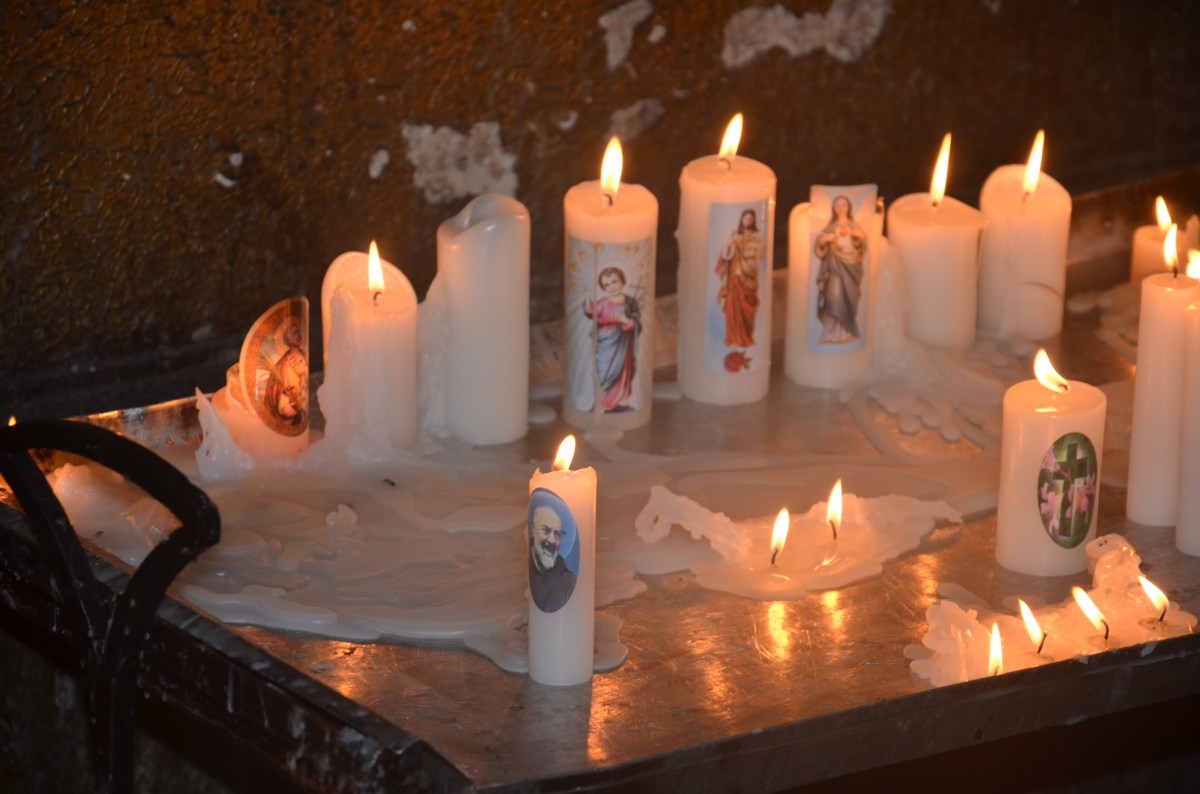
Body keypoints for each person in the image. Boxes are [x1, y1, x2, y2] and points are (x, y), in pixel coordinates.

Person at [582, 266, 639, 412]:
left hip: (623, 342)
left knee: (622, 369)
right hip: (605, 341)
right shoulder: (603, 302)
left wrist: (626, 321)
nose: (611, 287)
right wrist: (587, 297)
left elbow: (637, 321)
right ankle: (603, 399)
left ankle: (620, 399)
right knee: (604, 371)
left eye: (614, 282)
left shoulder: (629, 302)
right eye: (607, 284)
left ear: (622, 281)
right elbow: (591, 313)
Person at [813, 195, 867, 344]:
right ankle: (829, 332)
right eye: (838, 205)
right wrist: (826, 239)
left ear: (849, 207)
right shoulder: (831, 227)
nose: (841, 208)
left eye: (844, 205)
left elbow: (863, 242)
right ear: (834, 208)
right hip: (834, 268)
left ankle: (845, 332)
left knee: (848, 297)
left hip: (851, 269)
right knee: (833, 296)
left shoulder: (854, 225)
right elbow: (819, 242)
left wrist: (856, 235)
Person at [715, 208, 764, 348]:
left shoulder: (757, 236)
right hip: (737, 274)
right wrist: (732, 243)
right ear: (742, 220)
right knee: (734, 305)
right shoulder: (736, 236)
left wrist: (749, 244)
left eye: (750, 219)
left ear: (753, 221)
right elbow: (727, 254)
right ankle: (734, 336)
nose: (748, 221)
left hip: (750, 273)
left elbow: (761, 253)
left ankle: (746, 335)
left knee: (749, 305)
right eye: (746, 218)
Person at [528, 504, 576, 613]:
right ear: (533, 529)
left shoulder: (569, 581)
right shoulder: (521, 570)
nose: (552, 540)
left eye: (557, 534)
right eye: (546, 530)